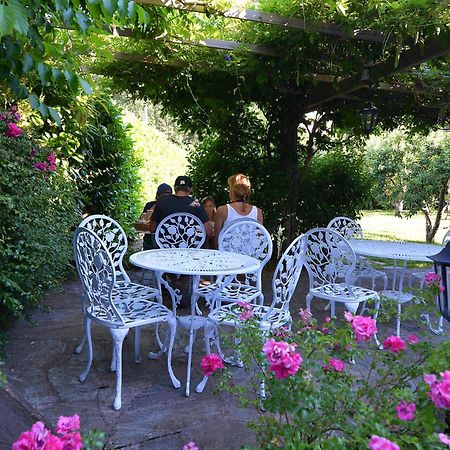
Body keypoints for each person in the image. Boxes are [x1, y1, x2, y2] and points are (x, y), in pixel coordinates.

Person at [149, 175, 213, 307]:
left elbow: (152, 228)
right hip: (189, 251)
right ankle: (183, 281)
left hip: (166, 250)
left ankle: (173, 280)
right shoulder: (196, 203)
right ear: (190, 189)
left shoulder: (162, 202)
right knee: (197, 249)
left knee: (159, 246)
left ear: (175, 188)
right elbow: (209, 232)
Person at [213, 173, 263, 248]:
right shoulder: (258, 212)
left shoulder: (222, 210)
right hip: (250, 257)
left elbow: (216, 241)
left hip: (228, 257)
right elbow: (261, 240)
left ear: (232, 191)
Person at [135, 183, 172, 250]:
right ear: (158, 196)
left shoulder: (173, 207)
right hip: (151, 239)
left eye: (169, 197)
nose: (166, 199)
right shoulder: (150, 205)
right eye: (164, 197)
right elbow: (142, 222)